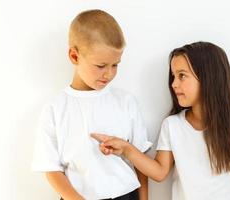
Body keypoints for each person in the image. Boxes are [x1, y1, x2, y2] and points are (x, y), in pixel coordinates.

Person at [92, 41, 230, 200]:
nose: (173, 84)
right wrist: (126, 148)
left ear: (208, 78)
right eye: (173, 76)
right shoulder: (172, 126)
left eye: (182, 76)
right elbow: (159, 172)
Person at [31, 9, 152, 200]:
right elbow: (51, 168)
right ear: (74, 56)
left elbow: (141, 162)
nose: (109, 74)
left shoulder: (126, 102)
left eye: (115, 65)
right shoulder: (55, 108)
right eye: (101, 66)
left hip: (125, 195)